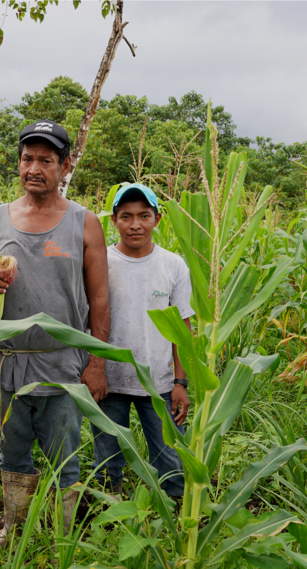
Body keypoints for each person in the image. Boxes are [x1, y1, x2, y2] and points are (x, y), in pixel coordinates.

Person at [0, 119, 110, 545]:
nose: (34, 168)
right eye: (27, 159)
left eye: (46, 160)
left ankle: (63, 535)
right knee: (12, 452)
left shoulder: (85, 224)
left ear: (65, 167)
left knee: (65, 455)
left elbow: (100, 300)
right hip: (7, 364)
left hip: (62, 364)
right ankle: (15, 528)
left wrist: (97, 363)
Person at [92, 183, 191, 499]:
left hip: (159, 384)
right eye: (126, 216)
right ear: (114, 220)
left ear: (157, 219)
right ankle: (110, 513)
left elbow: (182, 330)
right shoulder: (99, 262)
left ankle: (175, 509)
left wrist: (180, 382)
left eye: (144, 216)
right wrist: (93, 370)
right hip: (109, 383)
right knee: (107, 457)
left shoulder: (173, 265)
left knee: (169, 456)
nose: (135, 224)